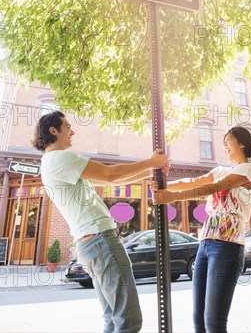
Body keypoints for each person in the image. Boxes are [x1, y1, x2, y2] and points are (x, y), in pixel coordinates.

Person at [33, 111, 169, 333]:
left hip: (90, 244)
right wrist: (151, 162)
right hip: (101, 241)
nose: (72, 131)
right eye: (67, 126)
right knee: (128, 322)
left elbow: (109, 178)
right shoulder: (60, 157)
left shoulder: (51, 163)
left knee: (113, 320)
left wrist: (149, 170)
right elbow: (109, 174)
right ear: (53, 130)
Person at [152, 125, 251, 333]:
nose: (224, 146)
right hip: (204, 245)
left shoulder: (248, 171)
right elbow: (194, 182)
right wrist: (164, 185)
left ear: (241, 143)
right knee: (199, 321)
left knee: (214, 322)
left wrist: (172, 197)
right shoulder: (221, 170)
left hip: (228, 247)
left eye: (228, 140)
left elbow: (213, 188)